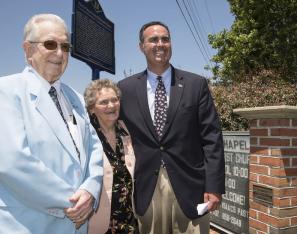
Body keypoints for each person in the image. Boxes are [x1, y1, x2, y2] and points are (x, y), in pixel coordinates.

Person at [118, 21, 225, 234]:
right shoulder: (124, 89)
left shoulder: (196, 84)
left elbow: (211, 137)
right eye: (153, 39)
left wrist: (213, 186)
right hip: (147, 185)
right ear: (142, 46)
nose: (160, 44)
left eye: (165, 39)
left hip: (190, 185)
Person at [0, 14, 103, 234]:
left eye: (65, 46)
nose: (59, 53)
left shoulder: (75, 97)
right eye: (50, 44)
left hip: (76, 224)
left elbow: (94, 148)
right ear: (28, 50)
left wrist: (91, 190)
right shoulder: (6, 90)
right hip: (28, 224)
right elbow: (12, 161)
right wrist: (74, 203)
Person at [84, 79, 137, 234]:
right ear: (92, 108)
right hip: (99, 222)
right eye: (104, 102)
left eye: (115, 100)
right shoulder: (86, 135)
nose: (111, 106)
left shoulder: (125, 130)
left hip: (129, 220)